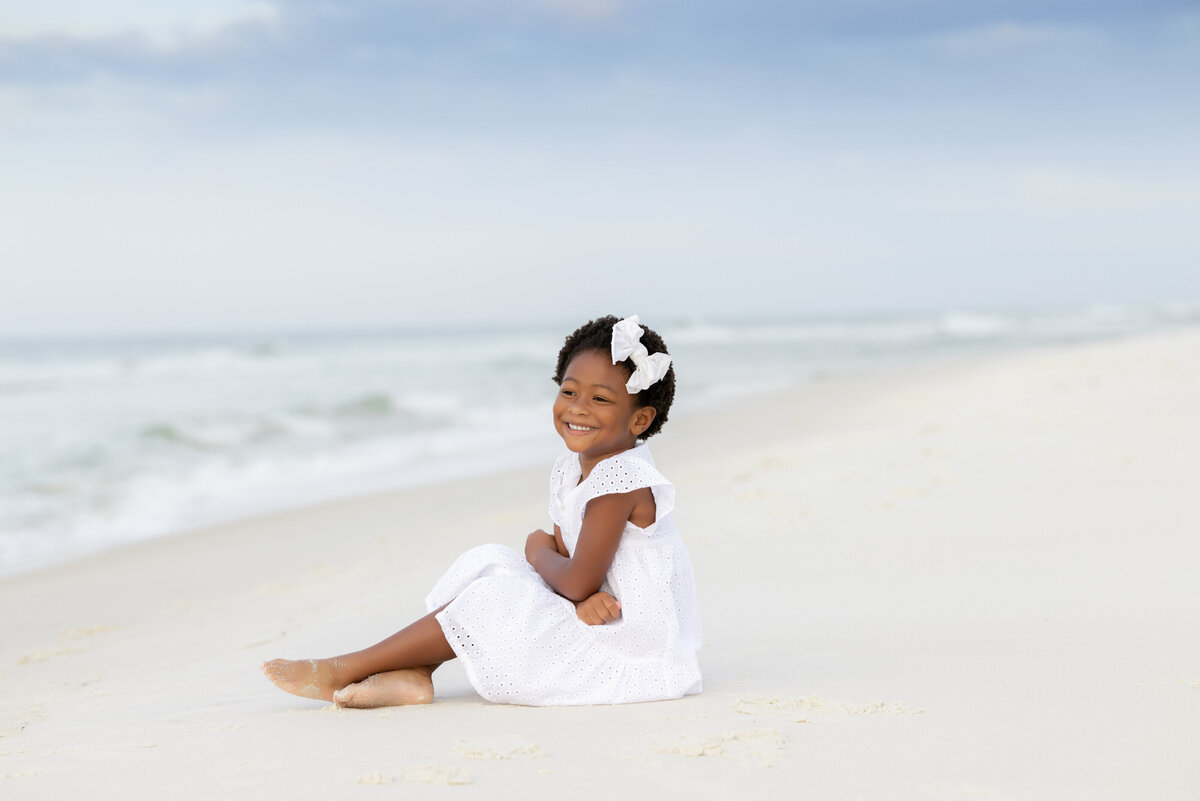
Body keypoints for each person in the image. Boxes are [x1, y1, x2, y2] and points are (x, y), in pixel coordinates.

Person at [261, 315, 702, 707]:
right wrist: (574, 588)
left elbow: (573, 574)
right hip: (597, 613)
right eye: (569, 391)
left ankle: (347, 668)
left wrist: (536, 551)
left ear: (640, 420)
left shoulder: (620, 479)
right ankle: (415, 674)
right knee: (488, 562)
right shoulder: (572, 469)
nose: (578, 408)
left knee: (499, 595)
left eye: (601, 399)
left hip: (630, 650)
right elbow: (570, 563)